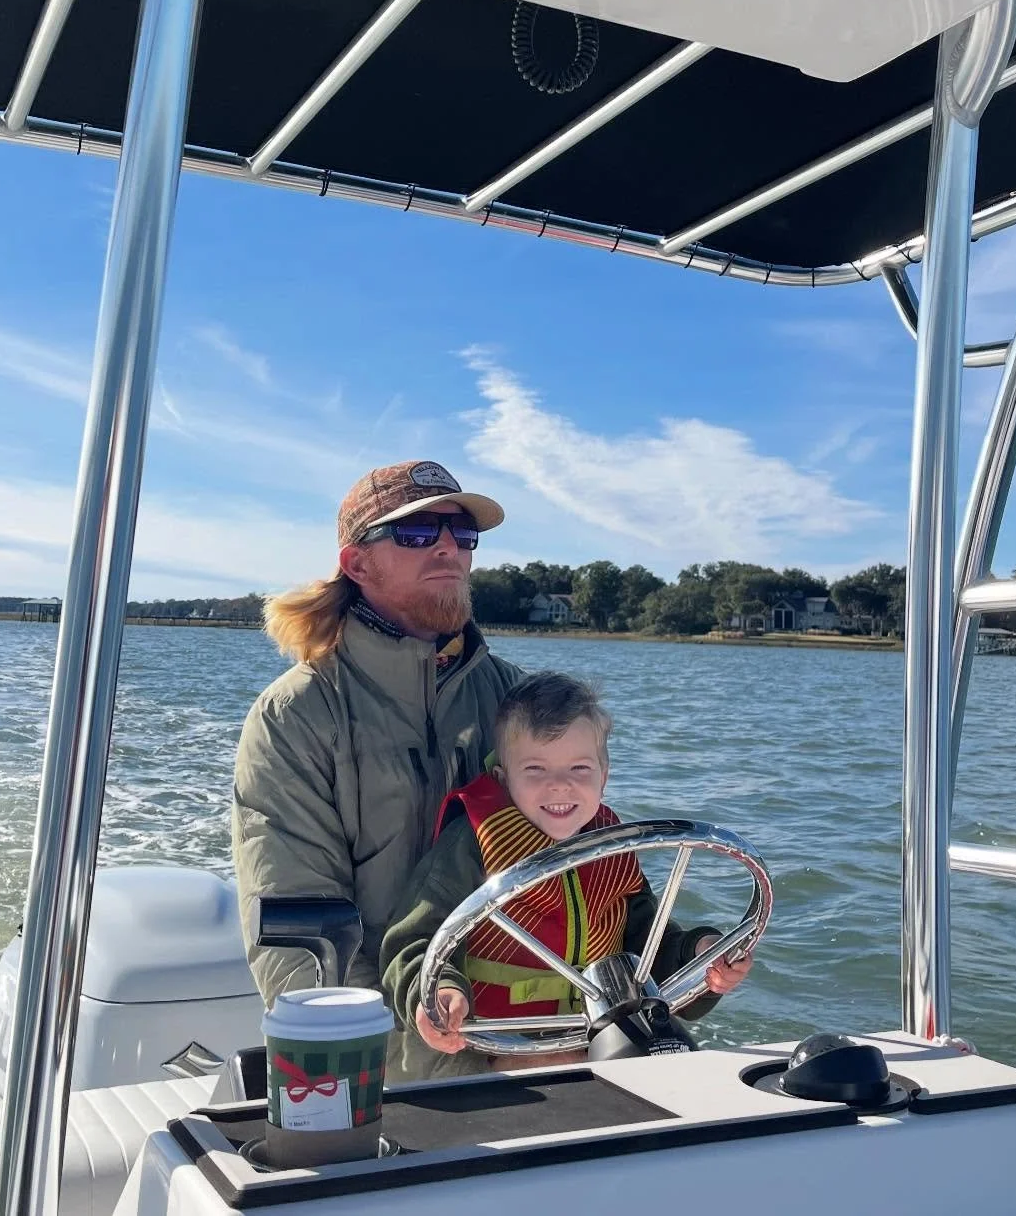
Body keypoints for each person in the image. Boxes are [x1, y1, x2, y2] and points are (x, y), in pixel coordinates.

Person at [231, 459, 521, 1078]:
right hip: (392, 1067)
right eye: (418, 533)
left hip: (532, 1040)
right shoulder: (296, 715)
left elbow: (589, 869)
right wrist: (401, 1068)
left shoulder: (521, 702)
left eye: (462, 534)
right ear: (358, 564)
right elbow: (300, 929)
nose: (449, 546)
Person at [381, 671, 753, 1060]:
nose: (559, 785)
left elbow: (648, 940)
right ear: (503, 780)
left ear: (603, 777)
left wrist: (700, 956)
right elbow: (412, 941)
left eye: (579, 769)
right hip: (490, 1046)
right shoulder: (472, 843)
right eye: (536, 770)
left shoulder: (613, 846)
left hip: (595, 1037)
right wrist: (439, 993)